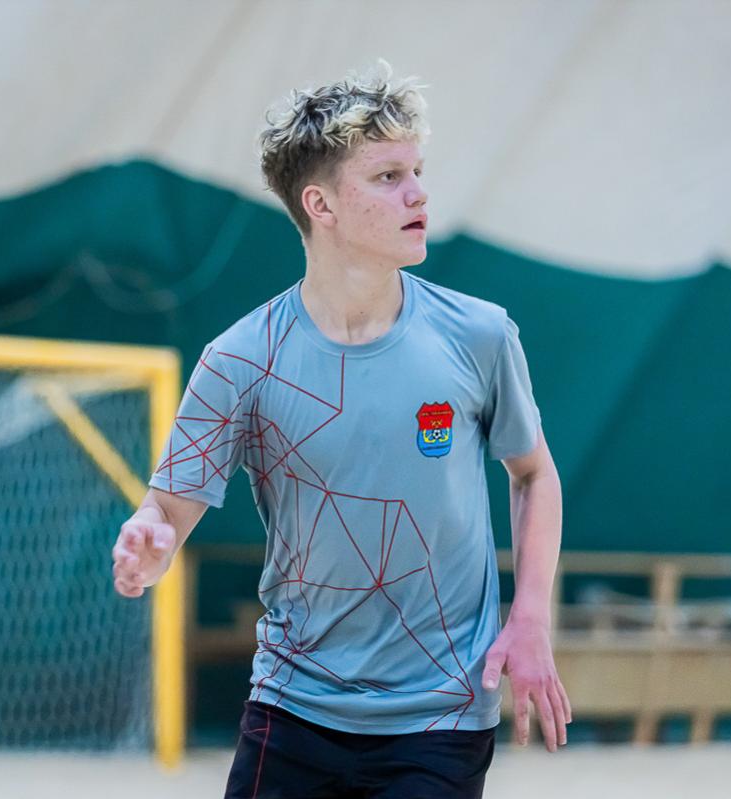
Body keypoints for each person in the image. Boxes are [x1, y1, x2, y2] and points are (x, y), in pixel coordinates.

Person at [112, 63, 569, 798]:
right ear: (319, 203)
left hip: (441, 716)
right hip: (293, 706)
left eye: (417, 171)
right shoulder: (240, 359)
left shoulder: (480, 335)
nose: (418, 193)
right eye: (388, 176)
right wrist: (150, 540)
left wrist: (531, 617)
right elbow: (166, 510)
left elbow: (534, 473)